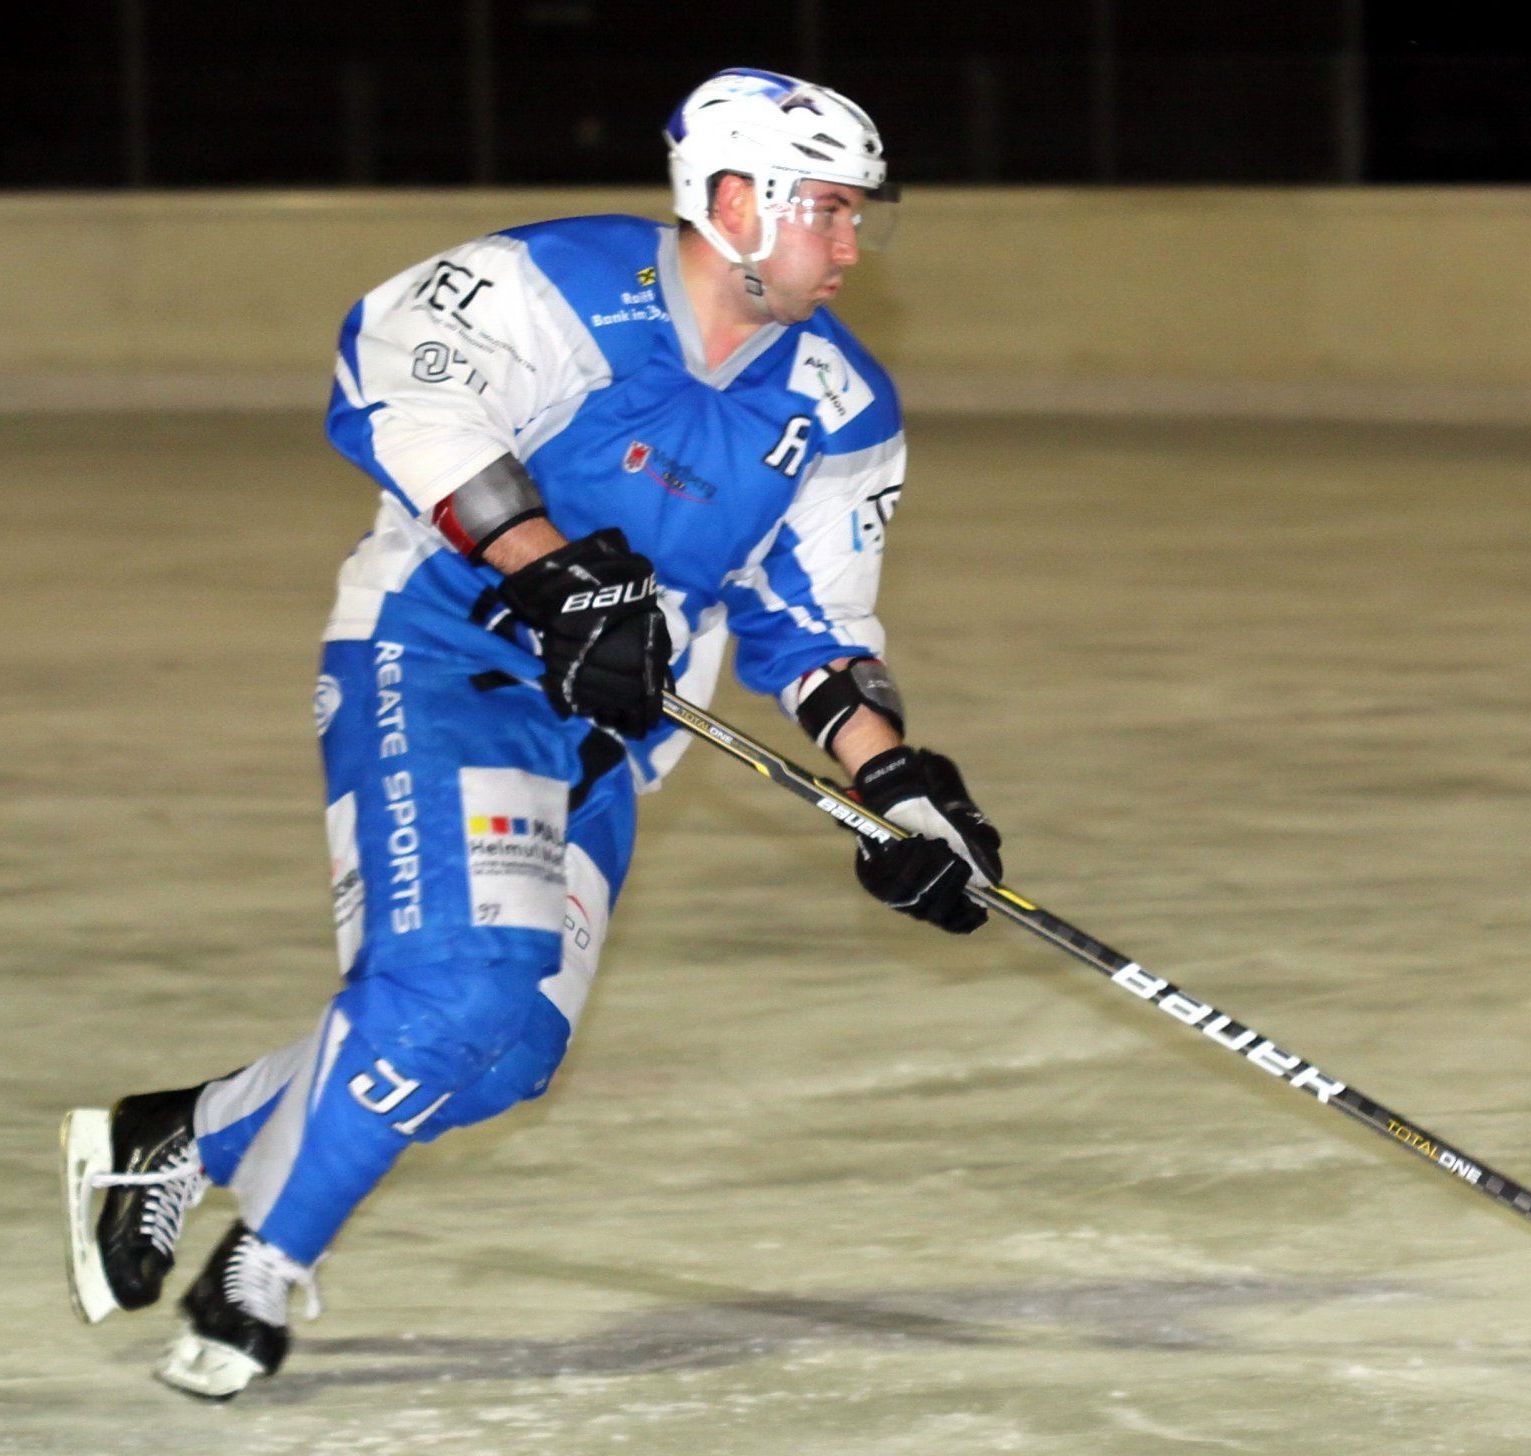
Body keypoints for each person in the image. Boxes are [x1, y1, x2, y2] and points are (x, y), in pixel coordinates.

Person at [59, 67, 1002, 1401]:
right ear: (734, 202)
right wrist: (550, 564)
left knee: (501, 1057)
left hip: (607, 734)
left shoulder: (839, 405)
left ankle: (180, 1135)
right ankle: (257, 1271)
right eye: (830, 213)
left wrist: (903, 793)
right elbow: (390, 382)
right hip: (437, 658)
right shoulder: (551, 286)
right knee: (459, 987)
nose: (852, 247)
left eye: (862, 218)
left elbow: (814, 624)